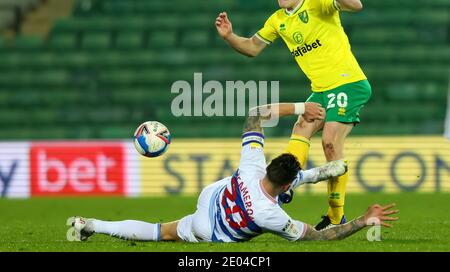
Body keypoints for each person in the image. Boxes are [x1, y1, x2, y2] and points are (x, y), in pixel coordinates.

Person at [67, 102, 397, 243]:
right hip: (211, 228)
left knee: (158, 229)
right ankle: (319, 173)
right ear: (283, 187)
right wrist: (363, 220)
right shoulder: (273, 216)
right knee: (161, 234)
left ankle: (92, 225)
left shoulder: (254, 165)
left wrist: (301, 108)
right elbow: (324, 235)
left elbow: (255, 114)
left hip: (214, 195)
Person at [215, 0, 372, 230]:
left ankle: (335, 217)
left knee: (330, 142)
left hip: (349, 83)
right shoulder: (278, 20)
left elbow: (356, 5)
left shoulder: (317, 1)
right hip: (321, 90)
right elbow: (252, 48)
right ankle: (287, 184)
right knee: (300, 128)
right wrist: (230, 36)